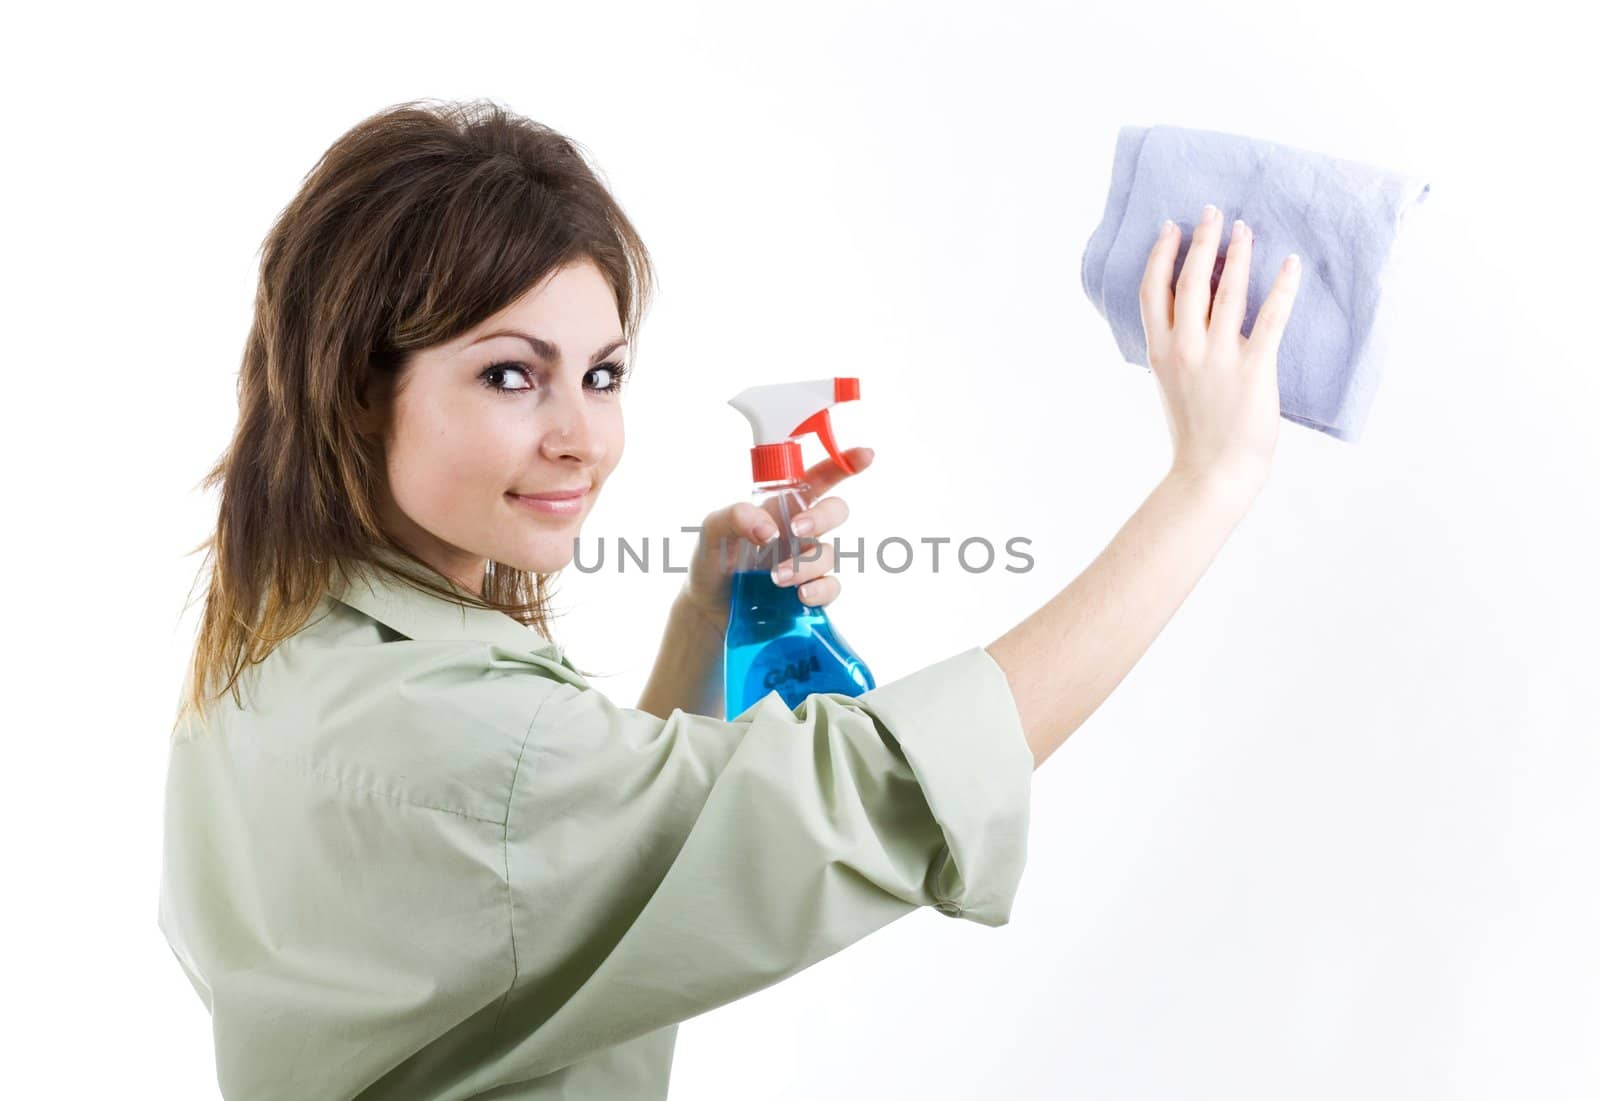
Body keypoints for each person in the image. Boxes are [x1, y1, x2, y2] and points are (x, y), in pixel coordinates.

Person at [157, 98, 1300, 1100]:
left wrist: (704, 620)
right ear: (359, 389)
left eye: (602, 374)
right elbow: (870, 801)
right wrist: (1209, 481)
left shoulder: (270, 645)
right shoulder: (462, 731)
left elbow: (559, 878)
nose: (583, 441)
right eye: (512, 374)